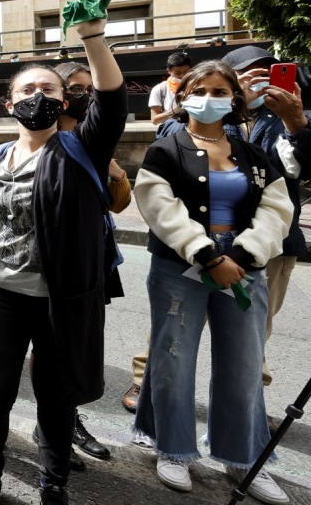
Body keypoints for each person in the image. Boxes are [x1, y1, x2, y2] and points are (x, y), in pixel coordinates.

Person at [0, 17, 126, 505]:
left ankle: (54, 485)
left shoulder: (83, 148)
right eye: (27, 90)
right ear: (10, 105)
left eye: (49, 89)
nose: (39, 96)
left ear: (64, 101)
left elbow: (113, 100)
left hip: (63, 302)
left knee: (57, 398)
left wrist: (92, 37)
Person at [132, 60, 293, 505]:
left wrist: (239, 256)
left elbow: (277, 208)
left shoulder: (253, 154)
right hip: (179, 268)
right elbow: (158, 207)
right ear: (182, 97)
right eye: (199, 90)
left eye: (220, 91)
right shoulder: (165, 150)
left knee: (245, 365)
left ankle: (243, 457)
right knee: (172, 356)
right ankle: (173, 448)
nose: (209, 98)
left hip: (243, 268)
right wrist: (207, 255)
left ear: (234, 98)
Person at [222, 46, 310, 427]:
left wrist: (296, 122)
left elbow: (304, 168)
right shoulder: (212, 110)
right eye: (249, 74)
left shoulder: (292, 118)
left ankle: (250, 401)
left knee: (255, 327)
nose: (259, 81)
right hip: (213, 239)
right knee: (179, 318)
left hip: (275, 241)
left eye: (267, 73)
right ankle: (146, 382)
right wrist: (229, 104)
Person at [49, 61, 131, 467]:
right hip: (53, 260)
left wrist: (115, 173)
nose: (84, 96)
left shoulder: (95, 139)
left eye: (89, 89)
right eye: (75, 88)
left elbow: (119, 203)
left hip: (92, 256)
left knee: (78, 344)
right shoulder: (43, 138)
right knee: (51, 344)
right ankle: (54, 424)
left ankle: (67, 420)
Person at [149, 50, 192, 127]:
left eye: (186, 72)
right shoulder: (160, 89)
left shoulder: (198, 87)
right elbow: (155, 120)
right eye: (177, 73)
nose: (182, 76)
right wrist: (176, 111)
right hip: (172, 130)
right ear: (169, 71)